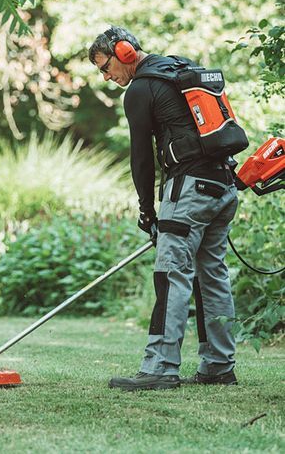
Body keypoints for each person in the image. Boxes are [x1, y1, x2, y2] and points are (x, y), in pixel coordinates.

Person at [88, 26, 239, 391]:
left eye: (106, 67)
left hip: (187, 190)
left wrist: (146, 211)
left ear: (125, 52)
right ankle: (218, 365)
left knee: (171, 275)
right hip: (223, 186)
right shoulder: (177, 69)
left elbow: (141, 157)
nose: (106, 77)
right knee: (212, 275)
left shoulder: (140, 88)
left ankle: (160, 366)